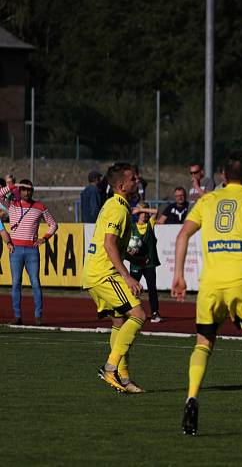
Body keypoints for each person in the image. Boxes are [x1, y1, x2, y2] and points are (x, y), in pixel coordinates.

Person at [172, 150, 242, 436]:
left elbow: (183, 234)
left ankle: (192, 397)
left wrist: (178, 275)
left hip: (211, 282)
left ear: (223, 175)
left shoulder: (207, 200)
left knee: (203, 343)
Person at [82, 162, 146, 394]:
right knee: (138, 315)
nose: (136, 181)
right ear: (121, 185)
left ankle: (124, 377)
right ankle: (110, 368)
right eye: (133, 179)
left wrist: (132, 257)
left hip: (95, 272)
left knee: (120, 322)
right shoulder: (118, 208)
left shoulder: (117, 205)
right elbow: (109, 243)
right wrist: (127, 275)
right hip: (103, 273)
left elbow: (111, 243)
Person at [0, 179, 59, 326]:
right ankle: (17, 316)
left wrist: (44, 239)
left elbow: (53, 225)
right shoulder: (12, 205)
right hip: (16, 249)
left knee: (35, 283)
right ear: (19, 191)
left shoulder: (40, 206)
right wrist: (14, 186)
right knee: (16, 284)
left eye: (30, 190)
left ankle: (38, 316)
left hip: (32, 250)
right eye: (24, 189)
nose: (27, 192)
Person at [130, 203, 163, 323]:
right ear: (138, 215)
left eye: (145, 213)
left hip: (149, 263)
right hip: (136, 263)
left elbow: (156, 211)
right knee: (132, 289)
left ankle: (155, 313)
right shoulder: (132, 227)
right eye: (142, 213)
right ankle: (130, 311)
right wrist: (130, 251)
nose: (144, 215)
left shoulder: (150, 224)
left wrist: (141, 208)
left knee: (152, 288)